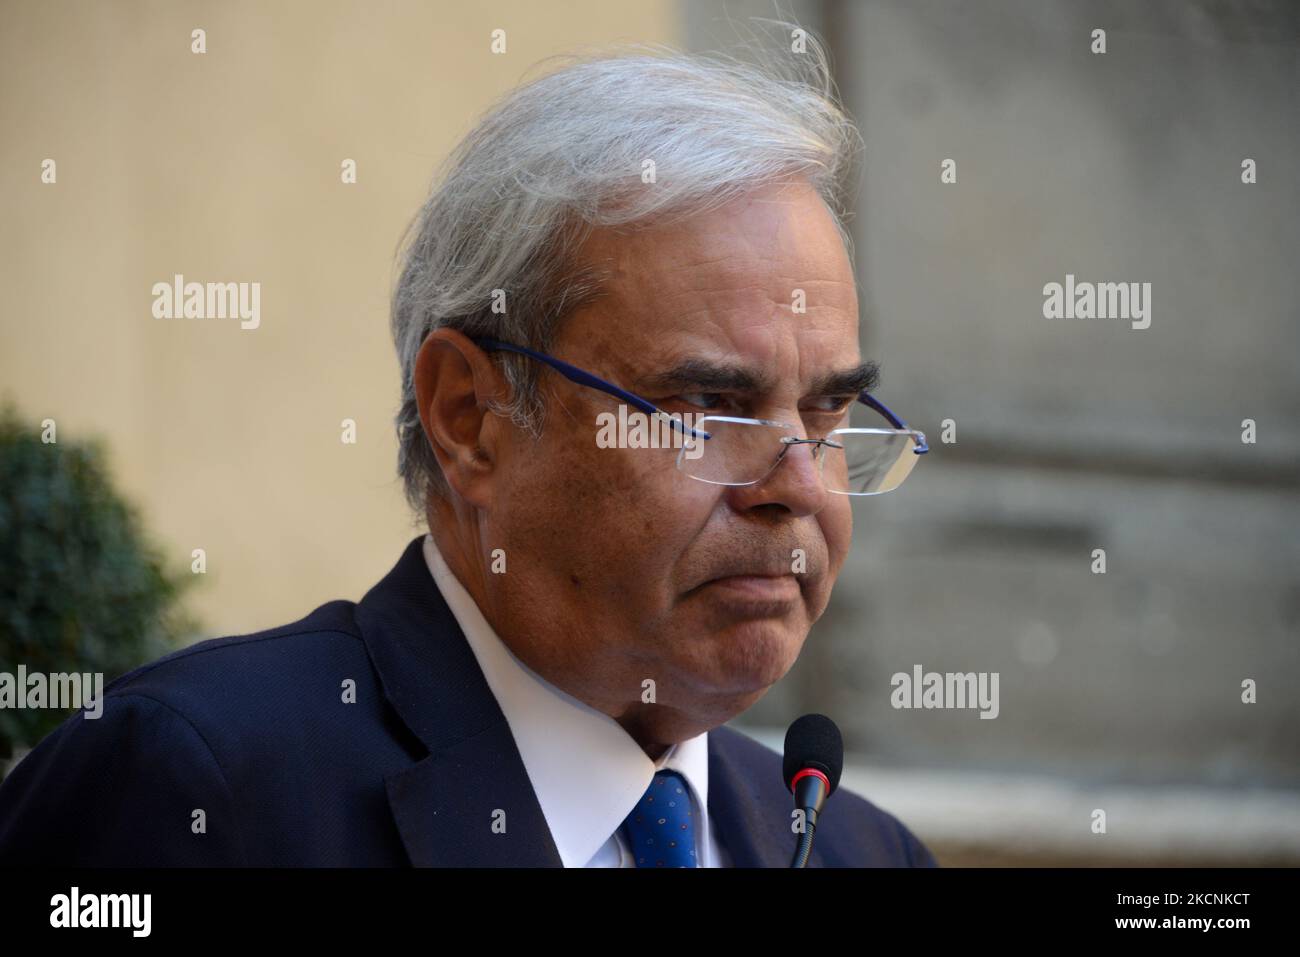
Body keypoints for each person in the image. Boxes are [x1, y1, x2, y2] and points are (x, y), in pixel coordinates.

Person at [0, 38, 935, 867]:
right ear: (469, 416)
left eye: (825, 414)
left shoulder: (862, 849)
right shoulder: (199, 785)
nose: (798, 486)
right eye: (710, 404)